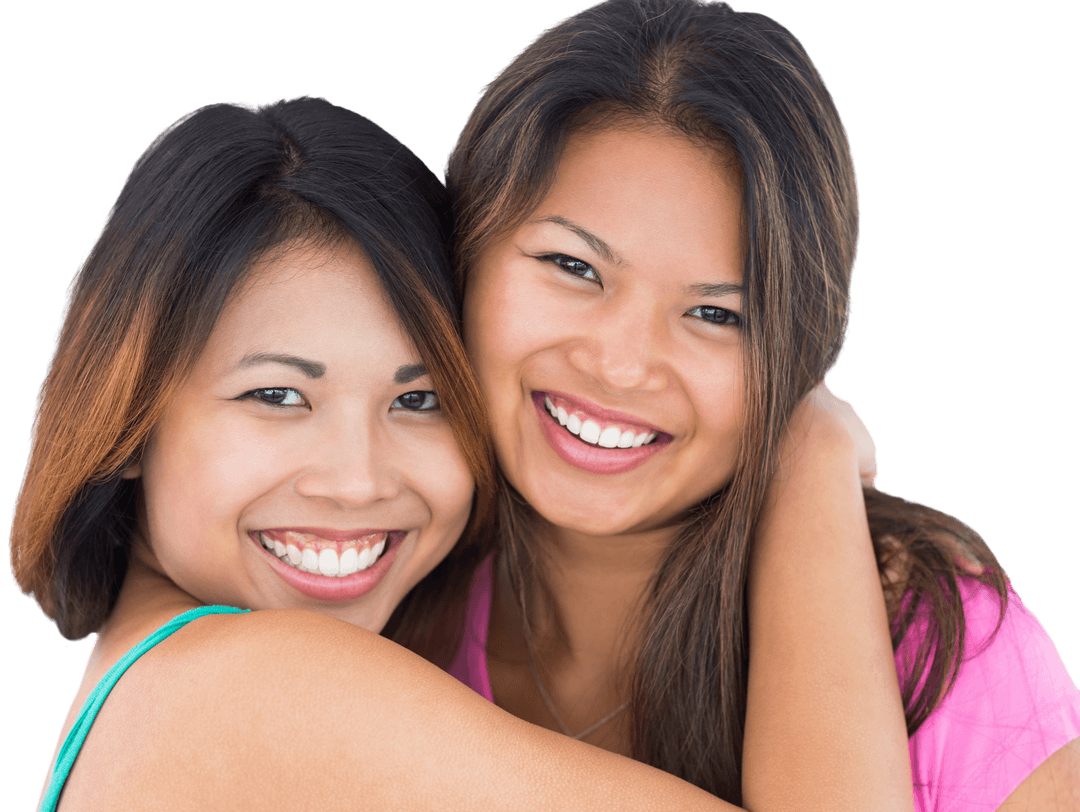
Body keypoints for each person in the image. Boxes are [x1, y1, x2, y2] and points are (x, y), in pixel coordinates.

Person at [10, 95, 898, 811]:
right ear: (128, 418)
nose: (358, 481)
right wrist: (807, 446)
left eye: (418, 399)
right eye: (276, 395)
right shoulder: (245, 691)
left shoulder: (142, 692)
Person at [439, 0, 1080, 808]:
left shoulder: (941, 647)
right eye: (572, 266)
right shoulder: (386, 598)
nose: (623, 364)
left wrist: (808, 448)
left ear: (796, 352)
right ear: (461, 251)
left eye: (717, 314)